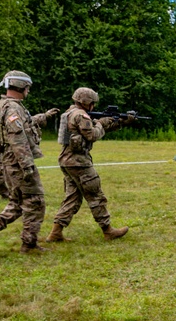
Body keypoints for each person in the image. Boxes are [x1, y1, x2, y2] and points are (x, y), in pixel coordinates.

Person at [0, 71, 57, 254]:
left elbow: (25, 125)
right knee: (35, 201)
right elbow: (17, 137)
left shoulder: (5, 105)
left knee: (18, 201)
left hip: (11, 161)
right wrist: (27, 164)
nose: (28, 91)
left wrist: (44, 116)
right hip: (18, 161)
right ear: (21, 87)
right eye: (27, 87)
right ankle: (29, 245)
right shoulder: (12, 108)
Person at [45, 87, 133, 242]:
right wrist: (100, 123)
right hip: (79, 162)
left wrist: (120, 122)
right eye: (92, 102)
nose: (94, 105)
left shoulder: (71, 112)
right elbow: (92, 134)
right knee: (95, 195)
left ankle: (56, 232)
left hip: (68, 160)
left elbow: (95, 128)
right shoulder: (80, 115)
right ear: (86, 102)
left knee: (72, 198)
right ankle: (108, 230)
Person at [0, 106, 58, 202]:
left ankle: (4, 192)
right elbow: (27, 121)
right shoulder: (7, 116)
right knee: (1, 173)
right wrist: (45, 115)